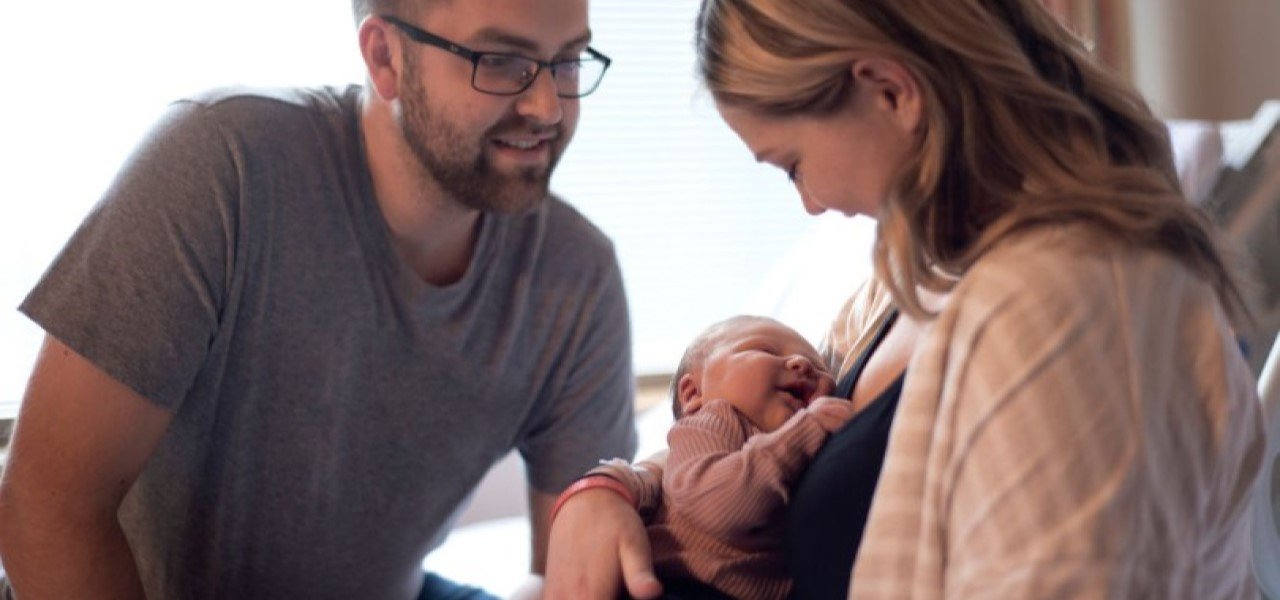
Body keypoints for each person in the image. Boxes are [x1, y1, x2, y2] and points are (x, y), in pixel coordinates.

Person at [543, 0, 1267, 598]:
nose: (813, 205)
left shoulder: (1067, 310)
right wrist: (615, 488)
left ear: (890, 90)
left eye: (793, 164)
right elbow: (729, 438)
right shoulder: (915, 280)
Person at [0, 1, 637, 599]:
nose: (549, 105)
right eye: (501, 61)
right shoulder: (224, 167)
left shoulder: (578, 276)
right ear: (385, 58)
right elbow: (44, 507)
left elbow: (572, 574)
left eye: (569, 61)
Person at [584, 315, 850, 599]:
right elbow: (721, 505)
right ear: (693, 394)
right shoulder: (712, 422)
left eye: (821, 369)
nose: (802, 363)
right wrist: (806, 429)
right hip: (676, 585)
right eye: (765, 350)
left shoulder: (804, 448)